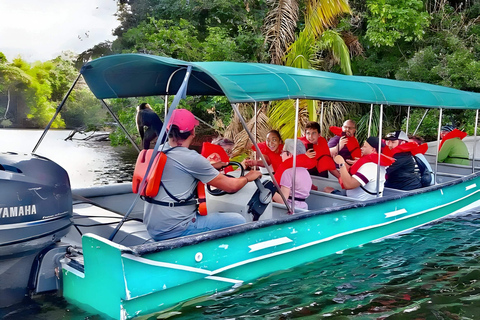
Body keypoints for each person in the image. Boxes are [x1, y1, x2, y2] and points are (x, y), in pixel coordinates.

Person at [143, 109, 262, 240]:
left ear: (167, 130)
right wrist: (248, 177)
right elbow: (231, 186)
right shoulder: (192, 158)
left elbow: (182, 168)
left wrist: (213, 166)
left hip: (154, 227)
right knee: (238, 220)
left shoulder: (159, 150)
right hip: (177, 229)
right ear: (193, 132)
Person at [324, 137, 393, 200]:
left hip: (357, 202)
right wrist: (344, 164)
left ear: (373, 150)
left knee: (326, 190)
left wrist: (341, 164)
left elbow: (348, 185)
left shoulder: (370, 167)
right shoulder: (377, 164)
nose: (361, 148)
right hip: (359, 198)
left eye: (365, 146)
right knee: (328, 189)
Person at [272, 139, 312, 209]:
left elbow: (282, 200)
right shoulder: (306, 172)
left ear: (289, 154)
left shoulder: (288, 173)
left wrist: (269, 189)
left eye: (283, 152)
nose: (281, 155)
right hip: (304, 208)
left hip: (290, 210)